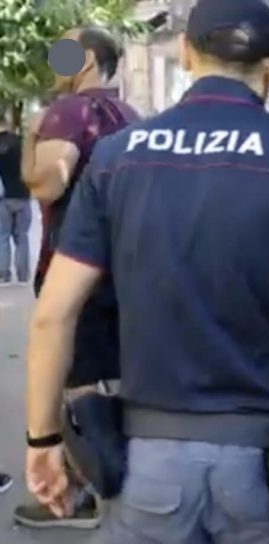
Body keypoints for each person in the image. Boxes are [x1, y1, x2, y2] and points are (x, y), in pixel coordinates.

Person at [24, 1, 269, 543]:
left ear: (186, 53)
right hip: (264, 470)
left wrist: (43, 440)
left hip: (148, 463)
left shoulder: (118, 157)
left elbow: (53, 316)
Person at [17, 26, 139, 530]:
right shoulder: (130, 116)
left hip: (75, 268)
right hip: (130, 269)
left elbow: (47, 184)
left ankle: (85, 491)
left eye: (63, 51)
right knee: (117, 379)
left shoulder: (71, 112)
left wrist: (30, 135)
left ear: (86, 59)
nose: (55, 60)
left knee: (77, 384)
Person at [0, 112, 30, 284]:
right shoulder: (20, 141)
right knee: (22, 236)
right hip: (22, 194)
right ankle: (23, 273)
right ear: (7, 122)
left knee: (2, 237)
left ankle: (3, 274)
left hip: (3, 197)